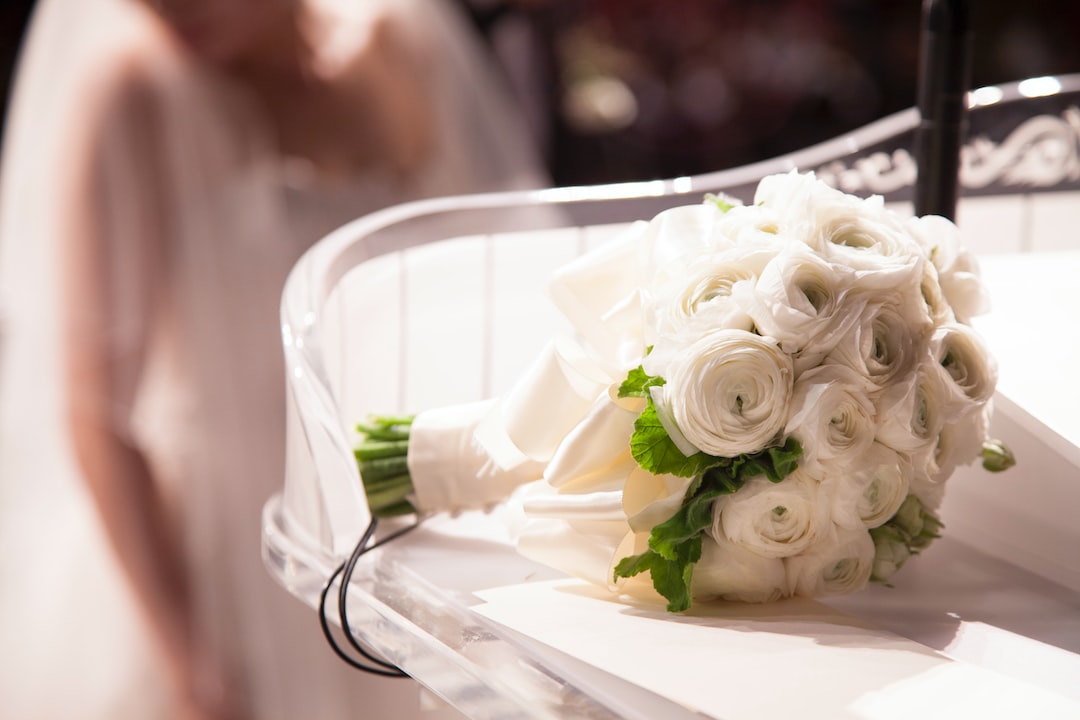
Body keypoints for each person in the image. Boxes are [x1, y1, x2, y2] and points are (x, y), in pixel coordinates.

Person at [0, 0, 544, 718]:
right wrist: (190, 661)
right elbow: (94, 410)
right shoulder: (130, 93)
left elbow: (495, 287)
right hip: (220, 559)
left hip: (403, 522)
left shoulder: (401, 41)